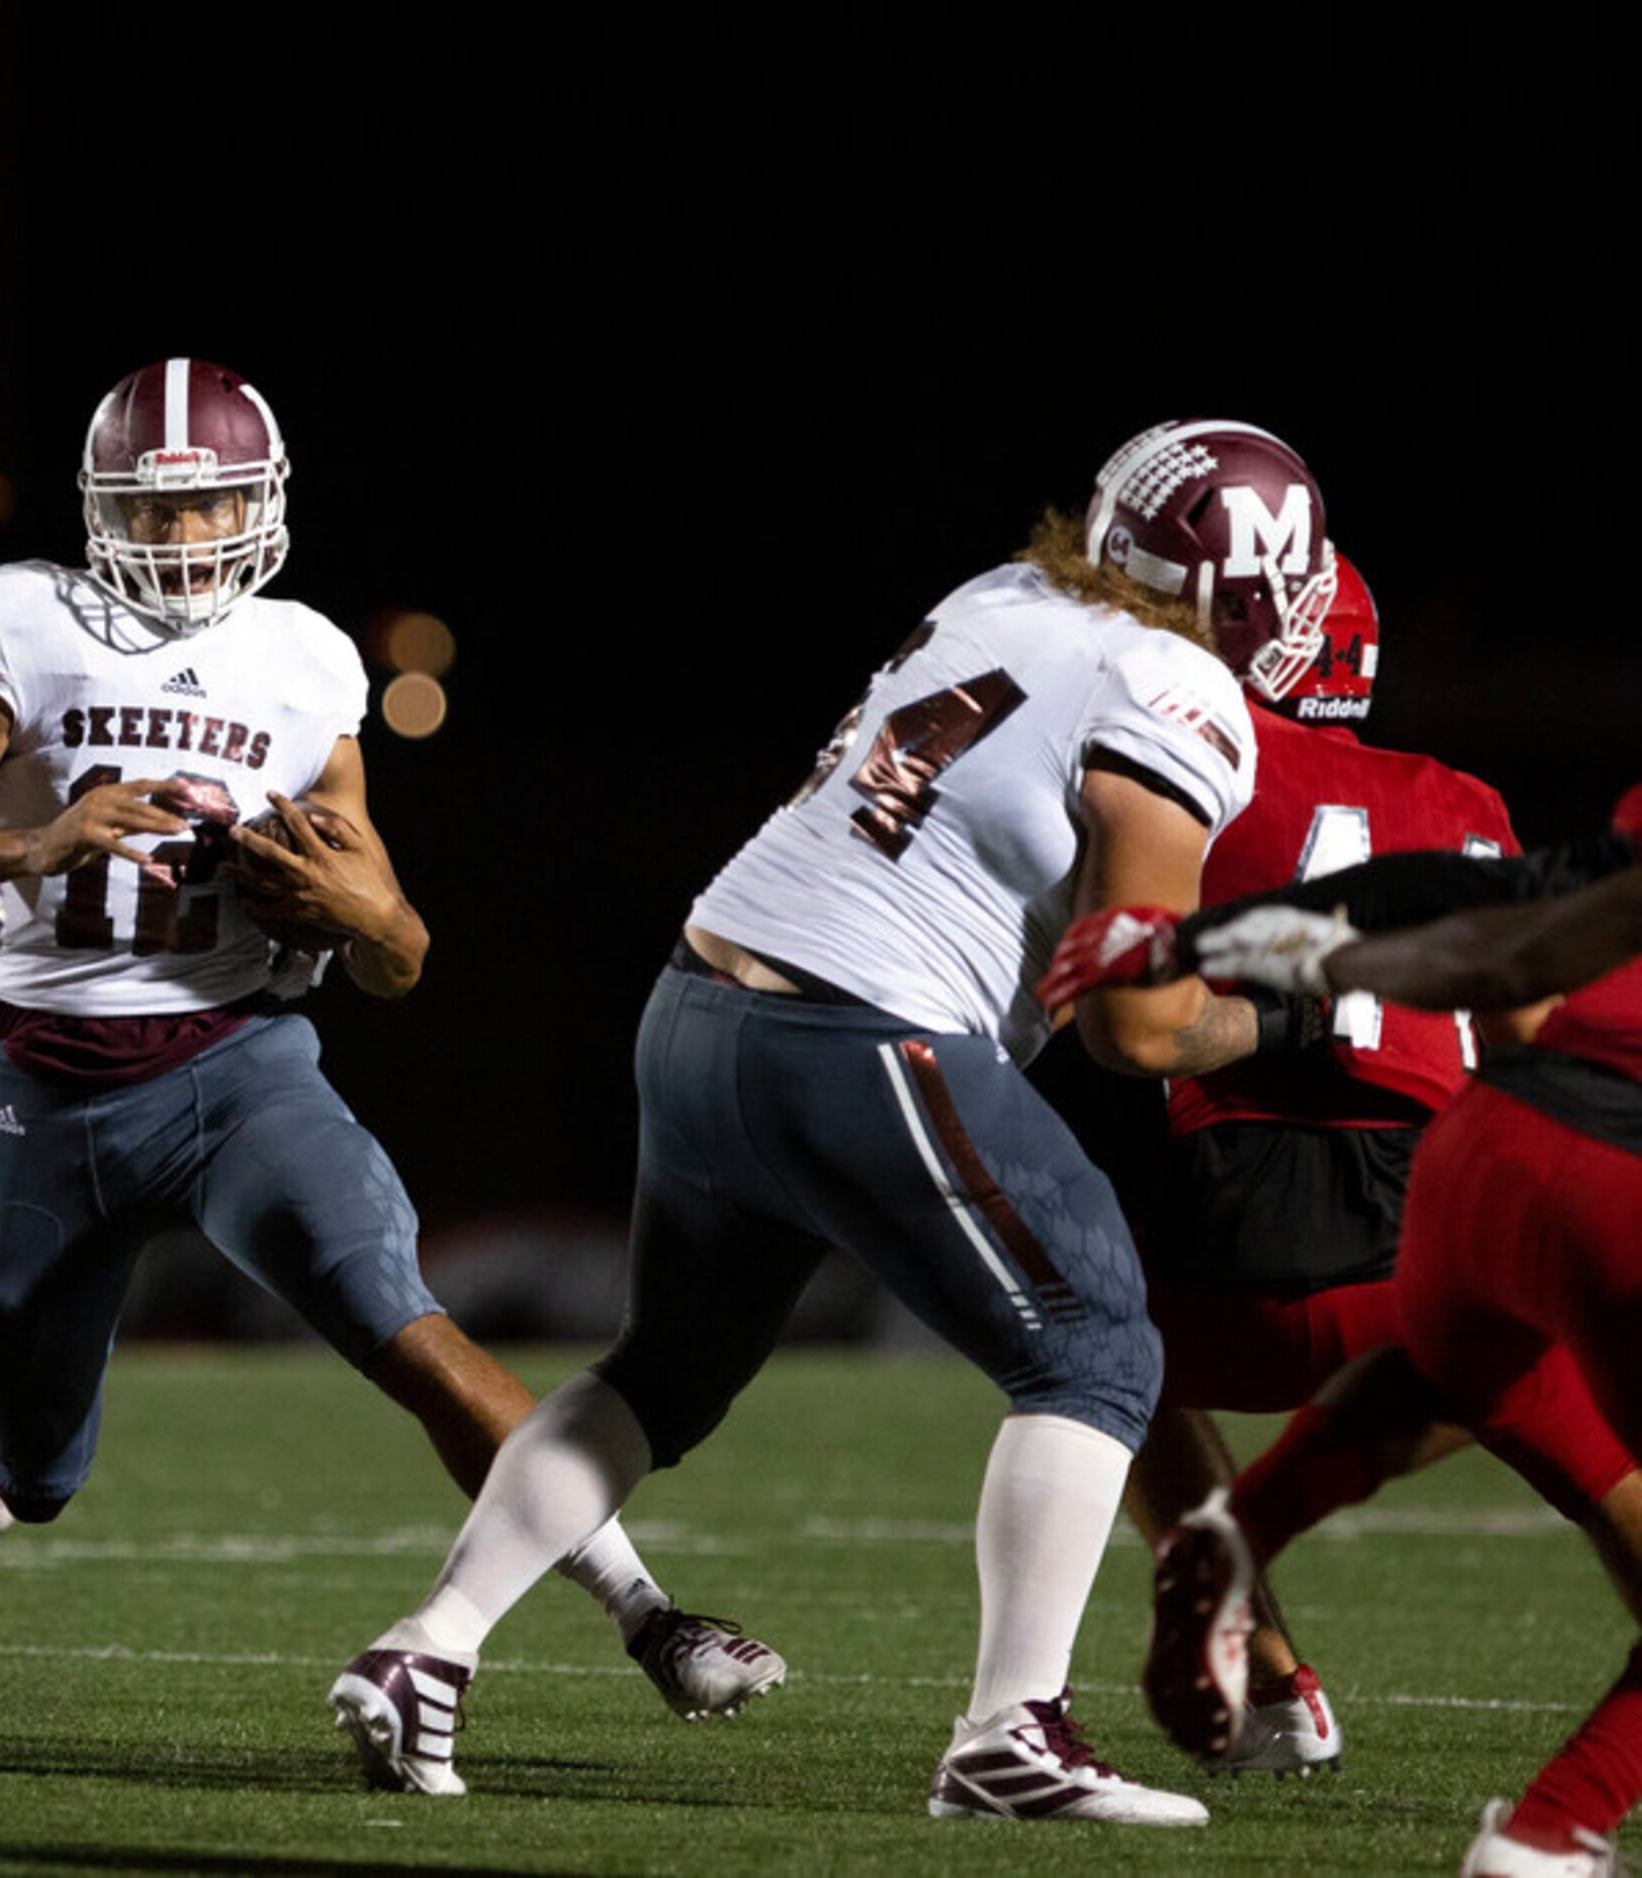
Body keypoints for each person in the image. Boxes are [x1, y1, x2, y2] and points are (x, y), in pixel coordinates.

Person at [330, 419, 1362, 1822]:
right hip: (859, 1024)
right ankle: (1015, 1733)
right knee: (1100, 1340)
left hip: (698, 1002)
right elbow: (1135, 1022)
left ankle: (426, 1649)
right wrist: (1299, 1012)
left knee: (667, 1371)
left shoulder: (1004, 598)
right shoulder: (1181, 685)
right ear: (1240, 586)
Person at [0, 357, 786, 1731]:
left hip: (236, 1066)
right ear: (103, 513)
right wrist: (26, 844)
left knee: (416, 1334)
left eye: (214, 508)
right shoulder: (23, 621)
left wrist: (360, 907)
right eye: (156, 515)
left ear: (260, 506)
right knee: (34, 1478)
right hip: (46, 1081)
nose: (186, 538)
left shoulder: (306, 658)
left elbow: (400, 958)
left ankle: (651, 1613)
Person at [1061, 557, 1638, 1777]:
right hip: (1435, 1244)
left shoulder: (1185, 772)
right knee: (1602, 1471)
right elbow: (1524, 1017)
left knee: (1095, 1361)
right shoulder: (1461, 795)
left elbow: (1110, 1011)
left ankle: (1271, 1689)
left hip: (1240, 1256)